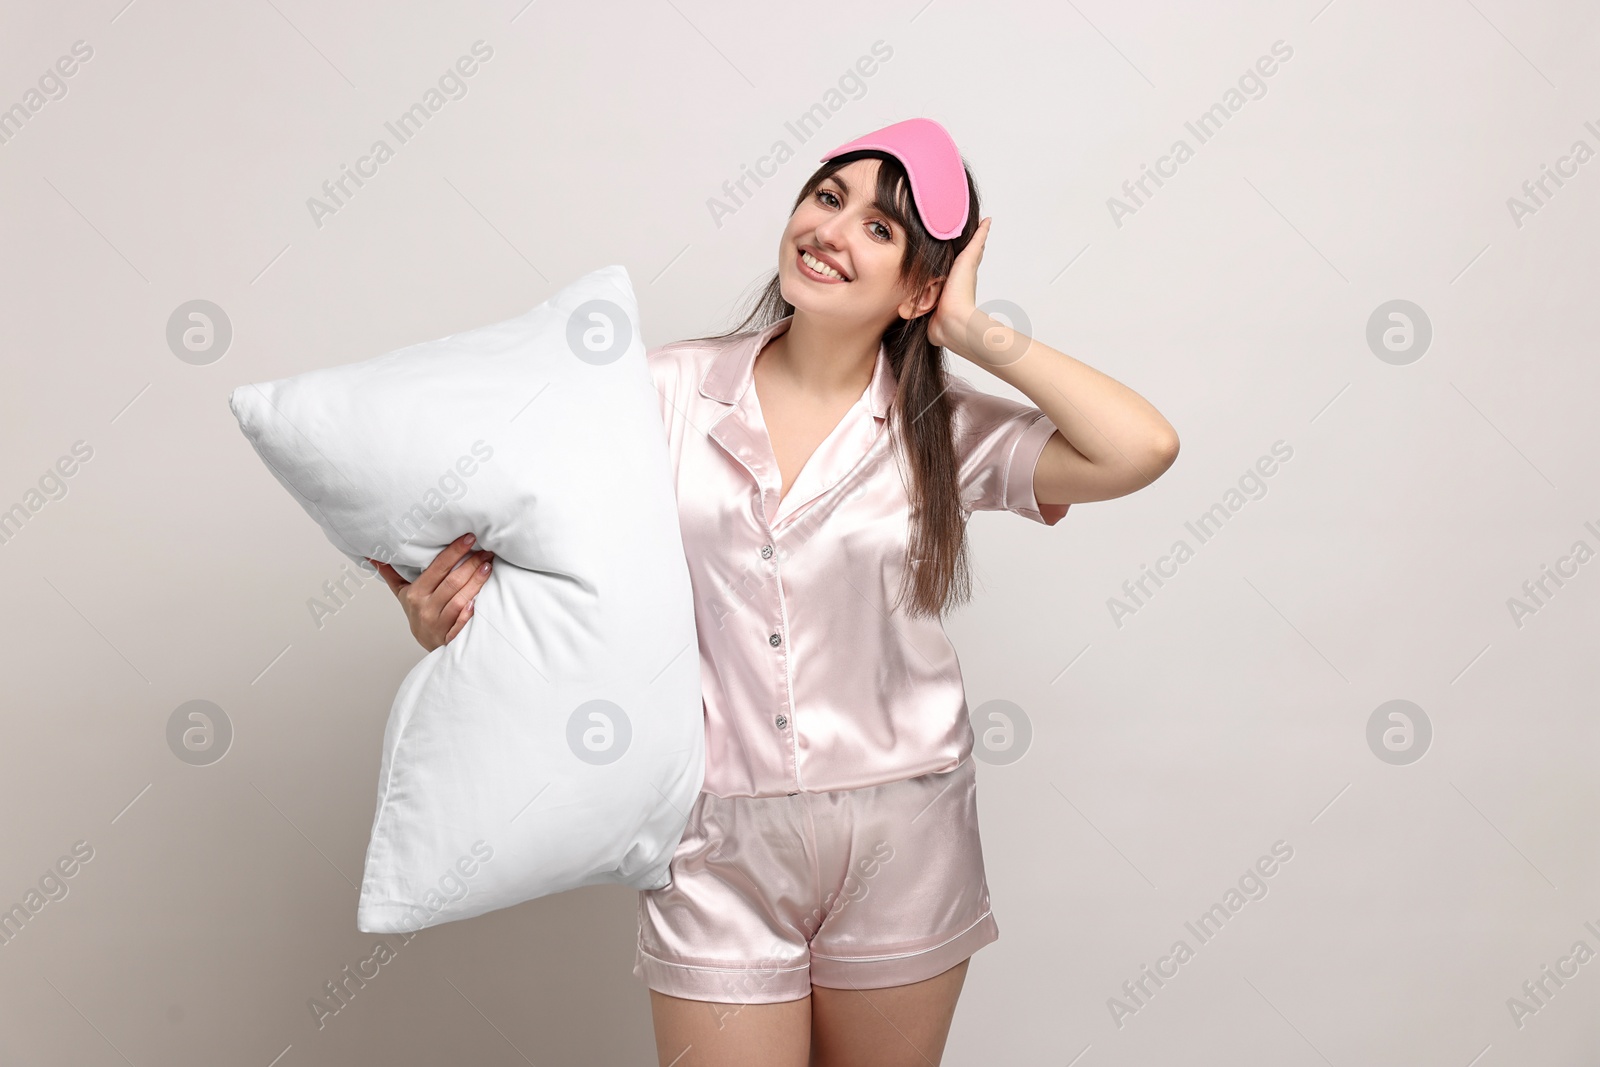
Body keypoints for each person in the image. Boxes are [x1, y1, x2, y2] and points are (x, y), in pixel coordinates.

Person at [371, 118, 1179, 1067]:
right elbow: (548, 569)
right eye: (829, 198)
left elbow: (1141, 448)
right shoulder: (661, 392)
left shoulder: (942, 425)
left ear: (923, 286)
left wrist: (974, 331)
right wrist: (448, 621)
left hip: (904, 829)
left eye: (882, 229)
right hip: (715, 839)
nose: (833, 230)